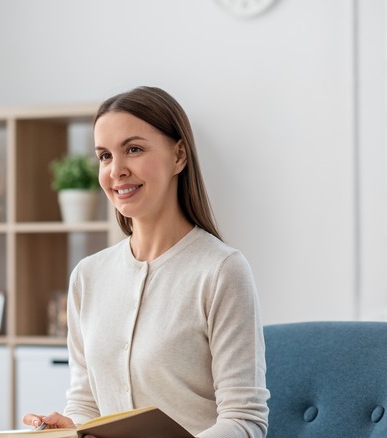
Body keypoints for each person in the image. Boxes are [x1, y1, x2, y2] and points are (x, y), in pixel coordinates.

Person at [23, 86, 269, 437]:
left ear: (179, 156)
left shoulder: (221, 270)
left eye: (133, 150)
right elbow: (85, 402)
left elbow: (245, 421)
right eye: (105, 156)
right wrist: (68, 429)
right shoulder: (87, 277)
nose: (116, 170)